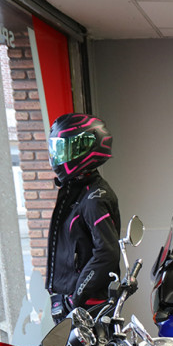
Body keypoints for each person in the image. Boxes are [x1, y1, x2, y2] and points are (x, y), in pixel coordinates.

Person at [44, 113, 119, 320]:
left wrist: (74, 299)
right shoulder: (78, 190)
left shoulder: (95, 196)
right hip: (73, 303)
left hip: (87, 306)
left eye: (64, 149)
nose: (57, 157)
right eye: (56, 149)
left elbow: (107, 253)